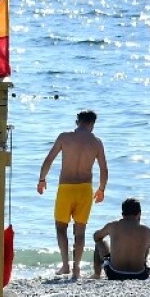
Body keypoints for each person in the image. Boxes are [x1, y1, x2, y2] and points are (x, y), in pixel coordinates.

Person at [37, 109, 109, 279]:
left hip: (66, 188)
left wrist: (42, 179)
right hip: (85, 189)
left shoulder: (64, 137)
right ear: (92, 124)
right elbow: (104, 169)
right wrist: (101, 189)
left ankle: (65, 265)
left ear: (77, 121)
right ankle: (77, 268)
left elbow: (48, 160)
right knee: (80, 231)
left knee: (61, 227)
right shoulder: (97, 142)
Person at [91, 198, 150, 281]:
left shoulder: (113, 226)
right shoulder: (147, 231)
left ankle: (97, 275)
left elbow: (96, 236)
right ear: (139, 213)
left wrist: (111, 253)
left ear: (122, 214)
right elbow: (145, 257)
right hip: (140, 275)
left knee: (99, 242)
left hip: (115, 274)